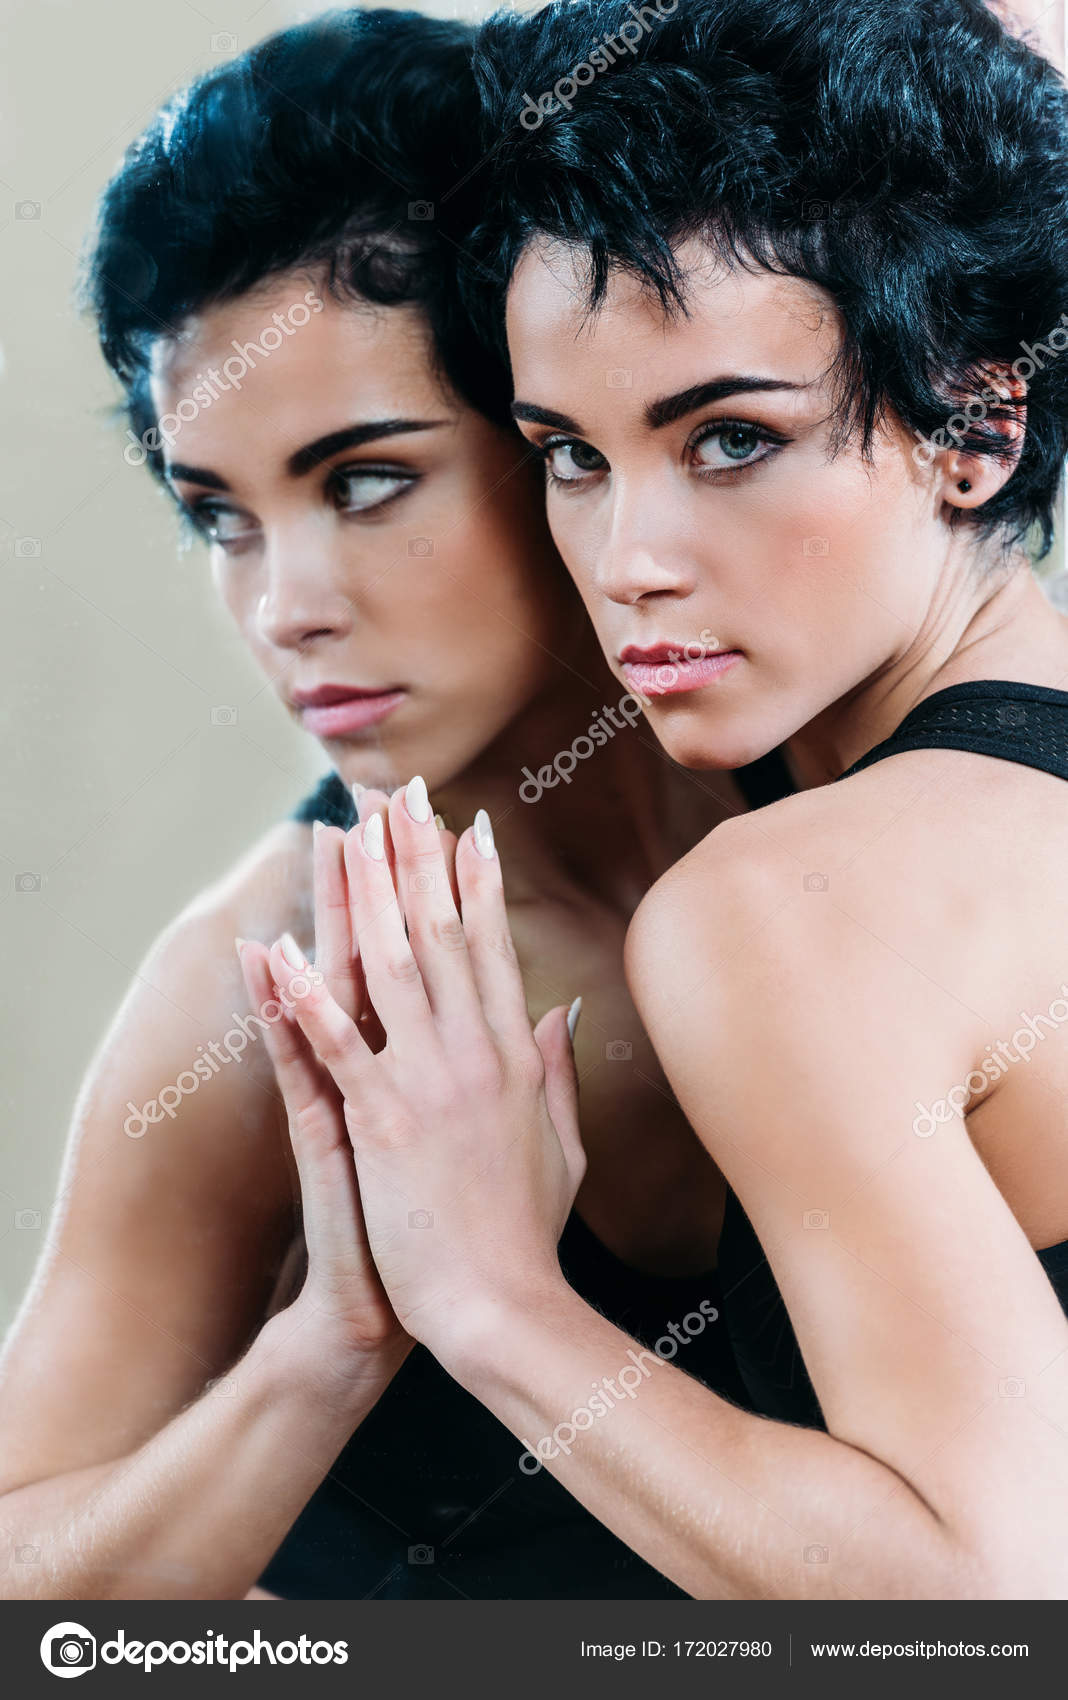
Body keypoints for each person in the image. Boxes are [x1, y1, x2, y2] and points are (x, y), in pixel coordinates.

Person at [264, 0, 1068, 1598]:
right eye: (571, 453)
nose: (632, 562)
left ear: (976, 425)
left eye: (731, 439)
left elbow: (991, 1602)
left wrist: (489, 1297)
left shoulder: (787, 908)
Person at [0, 8, 778, 1602]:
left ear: (558, 425)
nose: (282, 605)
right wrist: (339, 1334)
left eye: (364, 480)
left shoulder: (901, 819)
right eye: (216, 513)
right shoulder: (267, 989)